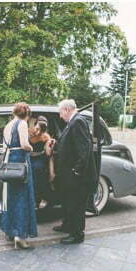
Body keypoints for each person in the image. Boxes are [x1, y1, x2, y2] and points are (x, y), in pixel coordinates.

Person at [51, 99, 96, 244]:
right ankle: (67, 225)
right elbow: (69, 144)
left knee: (76, 204)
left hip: (75, 175)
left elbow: (84, 150)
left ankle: (77, 234)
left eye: (60, 112)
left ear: (66, 110)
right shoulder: (73, 122)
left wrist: (77, 171)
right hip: (68, 174)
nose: (60, 116)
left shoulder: (78, 122)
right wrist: (56, 143)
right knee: (68, 201)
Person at [0, 102, 37, 249]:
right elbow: (24, 144)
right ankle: (20, 236)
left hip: (9, 161)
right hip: (20, 161)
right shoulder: (22, 124)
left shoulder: (8, 125)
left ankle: (10, 230)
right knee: (23, 197)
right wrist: (31, 147)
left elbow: (4, 147)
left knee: (11, 197)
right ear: (26, 114)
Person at [29, 117, 55, 209]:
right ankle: (33, 200)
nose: (39, 132)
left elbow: (48, 153)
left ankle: (38, 200)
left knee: (38, 169)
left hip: (40, 159)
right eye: (37, 129)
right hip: (29, 158)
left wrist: (50, 145)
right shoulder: (28, 133)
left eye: (42, 130)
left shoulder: (46, 136)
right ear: (34, 125)